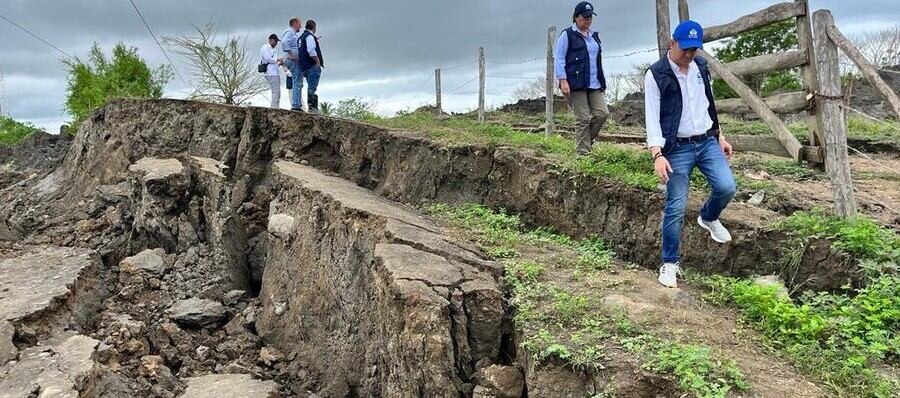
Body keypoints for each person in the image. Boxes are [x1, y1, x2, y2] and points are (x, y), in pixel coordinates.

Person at [644, 20, 736, 288]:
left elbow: (708, 105)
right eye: (685, 49)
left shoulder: (701, 67)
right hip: (677, 148)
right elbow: (652, 118)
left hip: (706, 141)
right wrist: (657, 154)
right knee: (675, 207)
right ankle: (669, 263)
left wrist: (719, 136)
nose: (689, 54)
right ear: (672, 43)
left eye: (694, 49)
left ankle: (708, 217)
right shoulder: (656, 74)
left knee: (727, 186)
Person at [554, 1, 609, 156]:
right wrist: (563, 80)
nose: (588, 20)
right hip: (576, 83)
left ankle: (585, 141)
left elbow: (597, 61)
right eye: (585, 17)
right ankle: (583, 154)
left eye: (590, 17)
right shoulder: (567, 35)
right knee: (583, 118)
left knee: (602, 114)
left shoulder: (594, 36)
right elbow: (559, 58)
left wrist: (602, 82)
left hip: (594, 82)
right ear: (576, 17)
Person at [298, 19, 324, 114]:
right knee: (312, 87)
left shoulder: (301, 37)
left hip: (304, 66)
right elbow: (311, 50)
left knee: (310, 86)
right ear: (314, 27)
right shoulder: (309, 37)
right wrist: (317, 61)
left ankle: (311, 107)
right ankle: (312, 107)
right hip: (311, 65)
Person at [282, 17, 303, 111]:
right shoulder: (290, 32)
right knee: (297, 81)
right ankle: (296, 105)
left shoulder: (293, 33)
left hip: (293, 61)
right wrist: (291, 55)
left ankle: (297, 103)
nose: (301, 26)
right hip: (292, 61)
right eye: (299, 24)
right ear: (295, 23)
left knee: (297, 81)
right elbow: (284, 42)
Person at [260, 34, 284, 108]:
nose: (276, 43)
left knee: (277, 91)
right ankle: (274, 108)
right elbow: (267, 58)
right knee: (276, 91)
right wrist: (277, 59)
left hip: (274, 72)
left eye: (277, 41)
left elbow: (273, 61)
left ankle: (275, 107)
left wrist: (279, 63)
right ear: (270, 40)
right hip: (270, 72)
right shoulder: (265, 47)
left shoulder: (274, 49)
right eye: (275, 41)